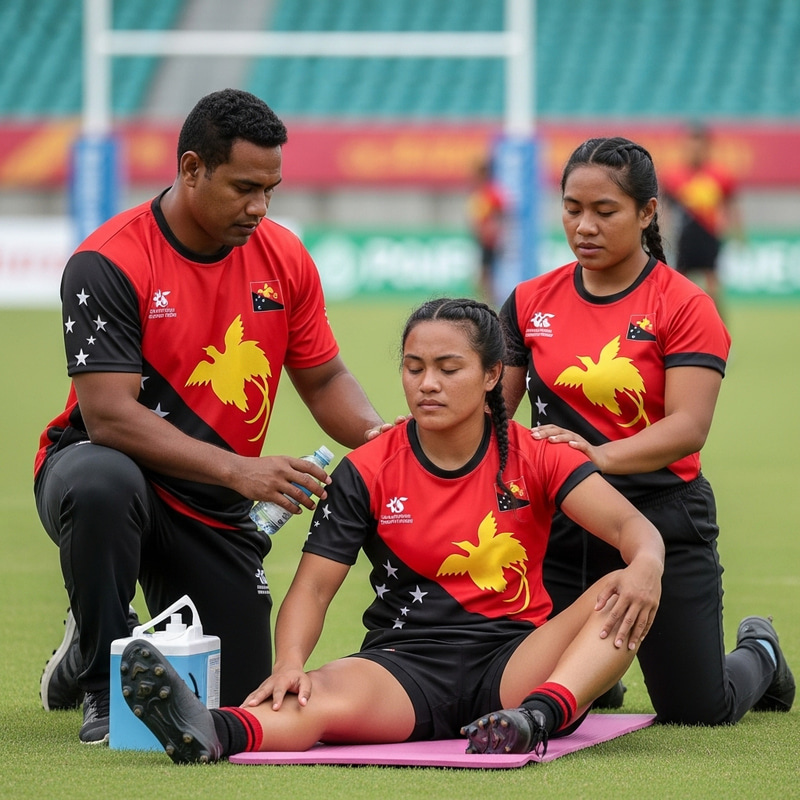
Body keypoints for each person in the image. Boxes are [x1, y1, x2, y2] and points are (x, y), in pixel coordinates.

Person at [115, 297, 665, 764]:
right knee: (312, 694)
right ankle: (210, 730)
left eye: (449, 369)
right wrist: (288, 664)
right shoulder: (367, 468)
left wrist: (646, 565)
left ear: (492, 375)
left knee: (623, 588)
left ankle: (537, 718)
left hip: (516, 662)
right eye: (414, 368)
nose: (428, 384)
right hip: (403, 668)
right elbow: (313, 588)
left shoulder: (539, 454)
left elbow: (634, 529)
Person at [34, 89, 395, 745]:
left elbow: (324, 379)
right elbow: (109, 417)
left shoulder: (284, 257)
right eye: (244, 188)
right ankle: (101, 685)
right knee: (102, 484)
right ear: (192, 168)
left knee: (239, 694)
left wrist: (384, 437)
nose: (260, 207)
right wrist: (240, 471)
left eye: (270, 190)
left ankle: (91, 636)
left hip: (211, 504)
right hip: (108, 471)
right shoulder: (109, 260)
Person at [499, 136, 794, 725]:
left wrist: (598, 457)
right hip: (559, 524)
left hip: (662, 516)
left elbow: (688, 426)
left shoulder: (685, 304)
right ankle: (598, 678)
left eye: (604, 211)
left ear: (647, 212)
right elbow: (495, 419)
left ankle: (761, 651)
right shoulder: (529, 301)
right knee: (525, 691)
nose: (584, 226)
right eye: (572, 208)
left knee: (697, 709)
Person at [660, 123, 743, 313]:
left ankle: (718, 327)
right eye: (690, 144)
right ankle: (679, 327)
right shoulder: (672, 176)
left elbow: (731, 206)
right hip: (684, 238)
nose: (694, 149)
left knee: (713, 289)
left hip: (709, 237)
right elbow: (665, 210)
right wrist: (663, 234)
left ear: (707, 146)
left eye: (699, 144)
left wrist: (737, 234)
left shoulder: (720, 176)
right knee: (679, 289)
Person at [467, 158, 507, 306]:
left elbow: (501, 214)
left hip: (489, 239)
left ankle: (488, 301)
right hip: (481, 237)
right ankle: (487, 300)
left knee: (486, 272)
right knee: (484, 271)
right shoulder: (480, 192)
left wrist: (494, 230)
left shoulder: (491, 192)